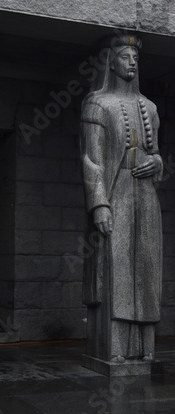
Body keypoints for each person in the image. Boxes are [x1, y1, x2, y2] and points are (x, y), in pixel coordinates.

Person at [80, 35, 163, 364]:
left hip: (145, 196)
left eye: (135, 58)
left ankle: (144, 349)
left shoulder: (150, 108)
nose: (132, 62)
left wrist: (157, 163)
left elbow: (155, 154)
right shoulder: (97, 104)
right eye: (125, 56)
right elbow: (91, 159)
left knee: (146, 270)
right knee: (116, 272)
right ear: (110, 61)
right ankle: (112, 348)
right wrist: (99, 202)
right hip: (117, 194)